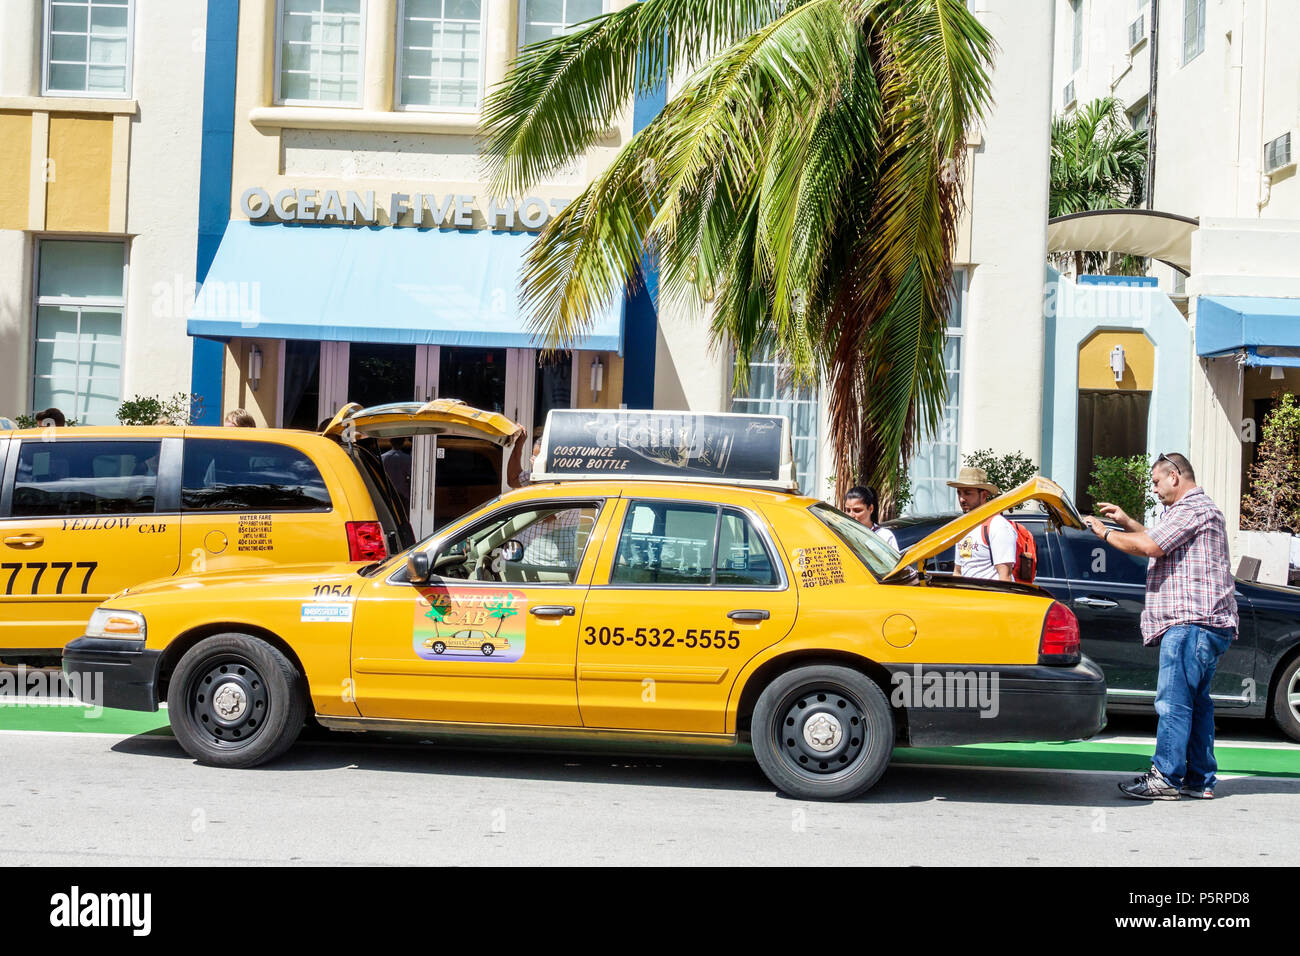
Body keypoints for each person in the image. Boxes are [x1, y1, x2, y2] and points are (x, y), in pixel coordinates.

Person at [1083, 452, 1238, 801]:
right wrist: (1125, 521)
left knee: (1173, 703)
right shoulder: (1197, 511)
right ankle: (1199, 780)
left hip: (1190, 623)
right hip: (1205, 623)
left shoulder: (1191, 508)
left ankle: (1165, 776)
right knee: (1196, 704)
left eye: (1155, 481)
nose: (1154, 489)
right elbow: (1157, 537)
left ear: (1175, 476)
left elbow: (1151, 546)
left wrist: (1105, 533)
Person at [947, 466, 1015, 581]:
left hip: (990, 598)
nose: (962, 499)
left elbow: (1005, 578)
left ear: (983, 495)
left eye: (967, 493)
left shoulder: (998, 526)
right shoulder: (962, 526)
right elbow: (958, 572)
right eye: (959, 493)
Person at [842, 485, 899, 550]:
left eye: (857, 510)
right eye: (848, 510)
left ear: (870, 509)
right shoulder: (841, 535)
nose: (851, 515)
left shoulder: (884, 536)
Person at [381, 437, 412, 510]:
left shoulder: (383, 457)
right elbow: (410, 475)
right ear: (402, 443)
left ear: (391, 442)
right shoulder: (407, 458)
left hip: (387, 491)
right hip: (403, 492)